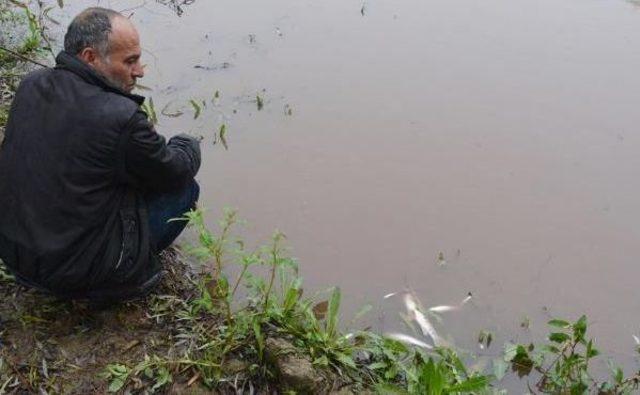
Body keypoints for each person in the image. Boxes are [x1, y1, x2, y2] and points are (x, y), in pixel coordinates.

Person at [0, 7, 201, 301]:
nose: (140, 71)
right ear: (90, 57)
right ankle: (116, 282)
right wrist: (187, 144)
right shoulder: (121, 118)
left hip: (16, 257)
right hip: (76, 274)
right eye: (130, 61)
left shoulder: (32, 84)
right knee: (184, 190)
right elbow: (173, 173)